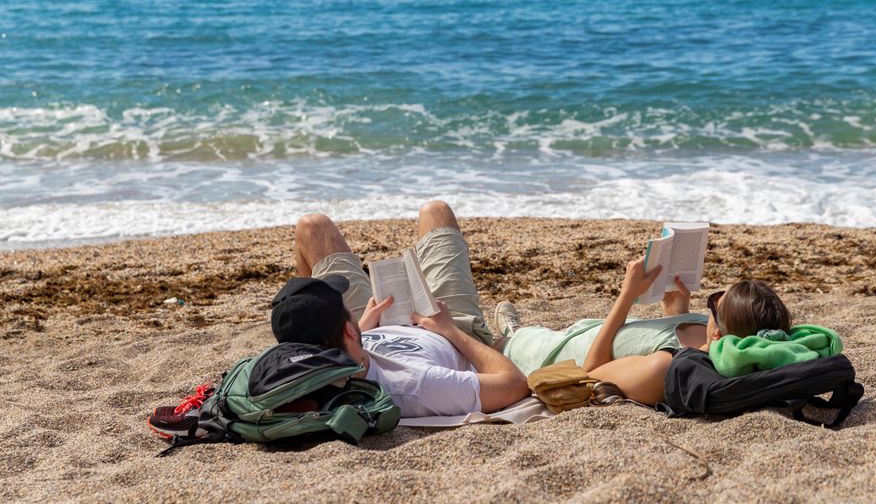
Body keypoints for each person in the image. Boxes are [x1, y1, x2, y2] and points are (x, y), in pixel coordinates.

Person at [149, 201, 529, 437]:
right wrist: (450, 331)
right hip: (448, 329)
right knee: (436, 212)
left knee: (311, 226)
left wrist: (363, 328)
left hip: (370, 332)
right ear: (343, 327)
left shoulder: (315, 361)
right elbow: (513, 385)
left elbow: (342, 349)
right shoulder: (413, 385)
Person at [496, 258, 794, 406]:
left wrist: (626, 295)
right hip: (579, 332)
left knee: (486, 336)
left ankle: (509, 335)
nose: (711, 304)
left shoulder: (662, 367)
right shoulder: (710, 340)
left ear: (719, 335)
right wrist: (678, 311)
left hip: (546, 353)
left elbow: (591, 371)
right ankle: (513, 330)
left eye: (715, 303)